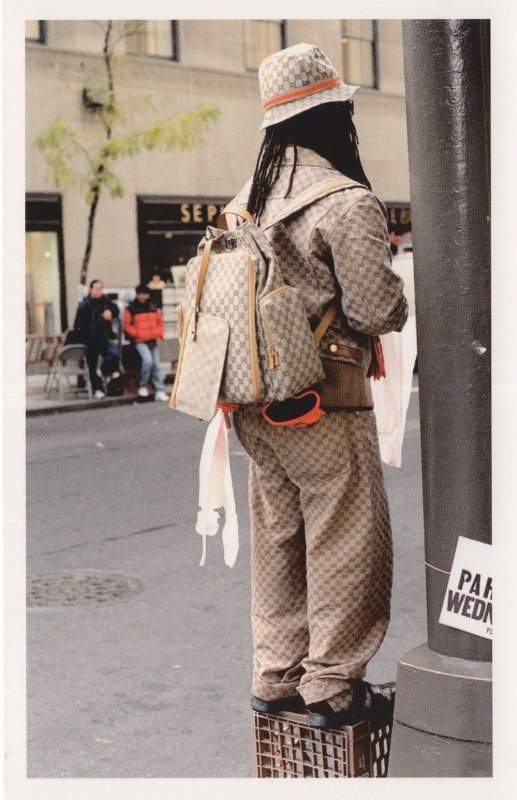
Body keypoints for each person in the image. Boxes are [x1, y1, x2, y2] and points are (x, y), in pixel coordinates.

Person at [229, 43, 409, 727]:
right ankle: (333, 684)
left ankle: (276, 672)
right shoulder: (342, 200)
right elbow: (376, 311)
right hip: (321, 398)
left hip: (251, 397)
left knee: (279, 533)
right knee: (345, 533)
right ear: (333, 112)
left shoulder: (244, 202)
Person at [73, 279, 120, 399]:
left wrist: (111, 312)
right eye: (96, 289)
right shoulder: (85, 304)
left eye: (101, 289)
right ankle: (97, 388)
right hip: (91, 340)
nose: (99, 291)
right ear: (91, 289)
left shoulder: (106, 302)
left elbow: (116, 309)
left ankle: (104, 370)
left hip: (105, 337)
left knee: (114, 355)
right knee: (92, 364)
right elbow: (79, 324)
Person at [123, 284, 168, 401]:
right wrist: (137, 334)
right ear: (137, 294)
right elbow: (127, 325)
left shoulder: (154, 307)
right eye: (141, 294)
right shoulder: (131, 309)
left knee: (156, 365)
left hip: (153, 340)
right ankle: (143, 386)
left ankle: (160, 390)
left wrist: (159, 336)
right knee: (147, 361)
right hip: (140, 341)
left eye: (145, 294)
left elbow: (160, 323)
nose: (143, 296)